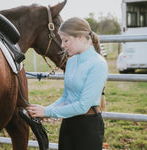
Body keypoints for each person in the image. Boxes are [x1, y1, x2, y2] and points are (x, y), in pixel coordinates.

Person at [26, 17, 108, 150]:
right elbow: (66, 97)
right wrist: (42, 111)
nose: (62, 45)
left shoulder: (98, 64)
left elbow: (83, 106)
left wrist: (47, 111)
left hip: (88, 126)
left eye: (66, 40)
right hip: (68, 122)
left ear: (80, 37)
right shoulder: (70, 62)